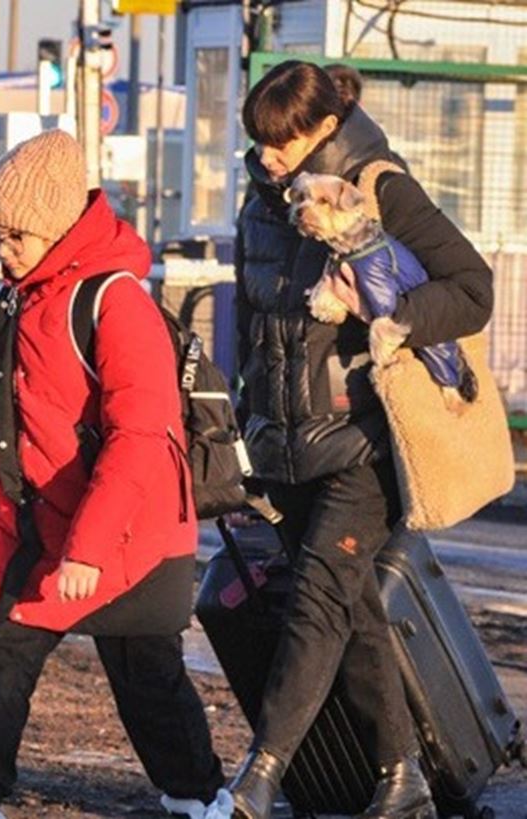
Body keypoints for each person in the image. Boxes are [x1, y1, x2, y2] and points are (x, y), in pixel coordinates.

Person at [0, 130, 228, 819]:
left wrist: (88, 548)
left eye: (15, 236)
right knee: (2, 657)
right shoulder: (18, 298)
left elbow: (140, 437)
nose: (1, 251)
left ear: (60, 227)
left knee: (146, 679)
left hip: (129, 536)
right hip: (41, 525)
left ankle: (199, 798)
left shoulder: (116, 300)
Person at [216, 60, 493, 819]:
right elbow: (251, 321)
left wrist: (388, 316)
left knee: (315, 602)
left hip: (362, 439)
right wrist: (249, 434)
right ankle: (399, 775)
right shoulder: (263, 203)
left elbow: (471, 288)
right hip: (287, 440)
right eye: (259, 143)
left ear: (326, 129)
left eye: (283, 143)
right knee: (354, 612)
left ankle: (258, 774)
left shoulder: (380, 188)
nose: (268, 158)